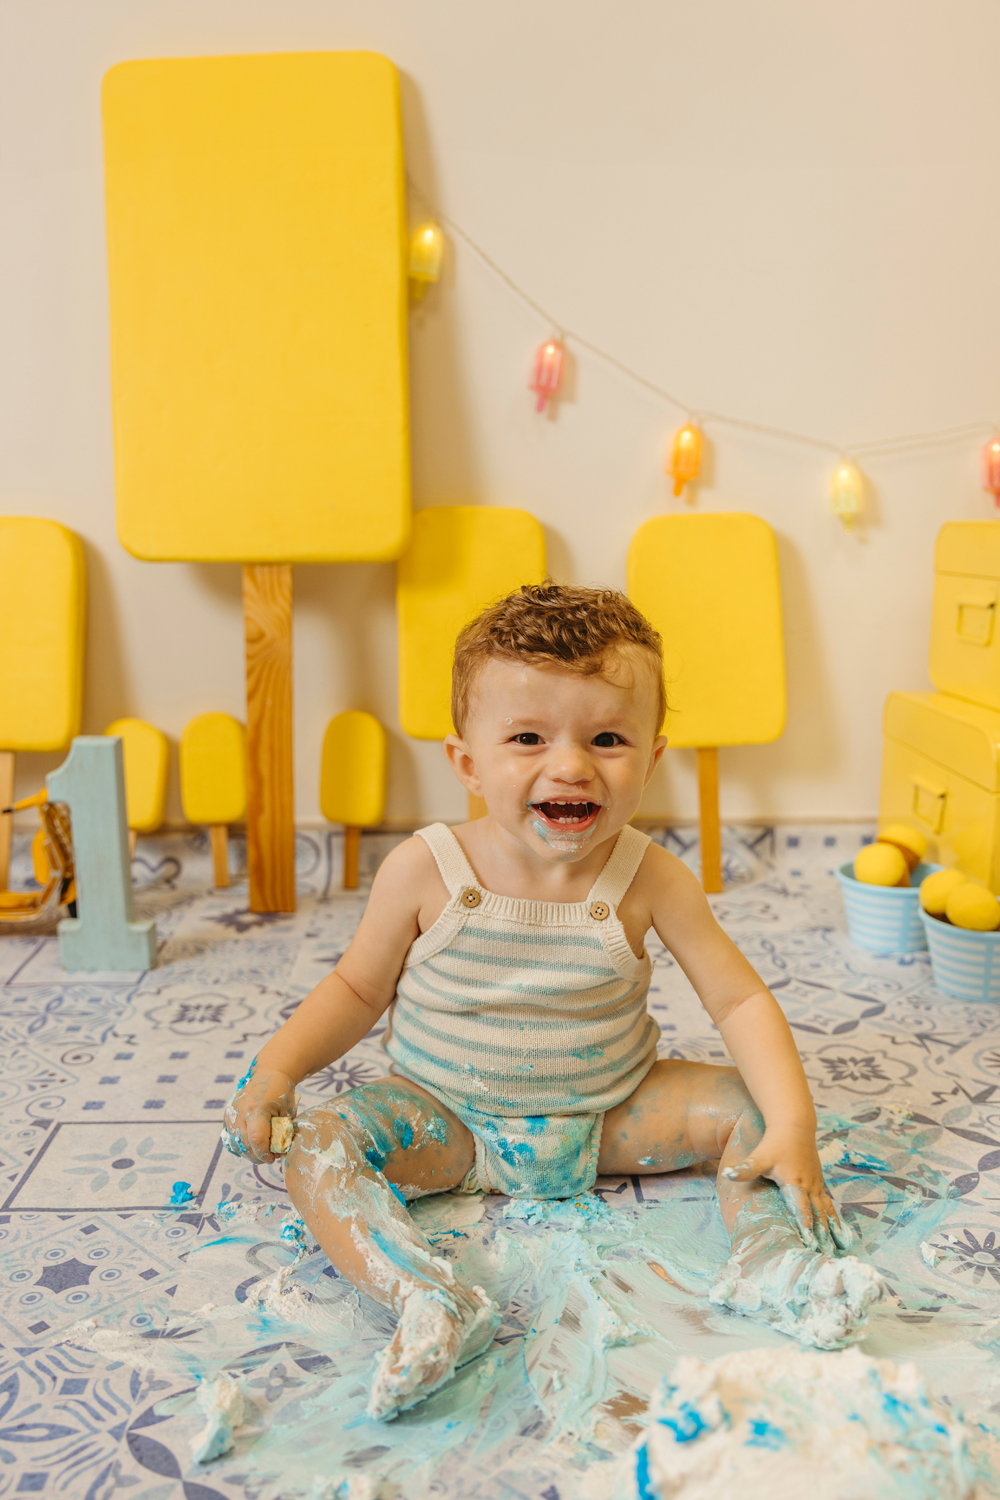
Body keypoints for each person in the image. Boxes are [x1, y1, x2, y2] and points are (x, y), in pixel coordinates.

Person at [221, 582, 882, 1421]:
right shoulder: (425, 870)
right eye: (528, 738)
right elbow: (355, 989)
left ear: (651, 759)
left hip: (608, 1116)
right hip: (445, 1116)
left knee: (751, 1106)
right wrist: (278, 1070)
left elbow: (740, 1000)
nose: (570, 765)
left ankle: (770, 1258)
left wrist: (793, 1122)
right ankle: (425, 1296)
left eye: (607, 738)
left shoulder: (650, 877)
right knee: (318, 1145)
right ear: (467, 762)